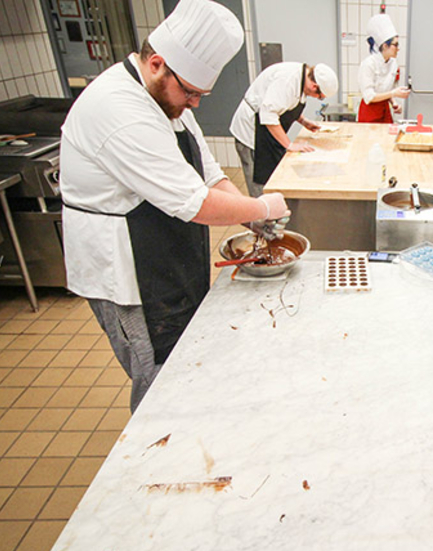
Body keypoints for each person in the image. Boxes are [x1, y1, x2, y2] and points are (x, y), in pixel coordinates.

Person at [60, 0, 289, 412]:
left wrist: (246, 211)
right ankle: (153, 455)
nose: (196, 104)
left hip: (163, 250)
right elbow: (196, 202)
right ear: (156, 64)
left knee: (183, 360)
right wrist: (262, 208)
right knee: (158, 375)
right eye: (191, 92)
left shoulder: (166, 98)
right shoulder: (120, 108)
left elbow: (208, 173)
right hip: (129, 268)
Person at [230, 61, 339, 197]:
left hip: (266, 134)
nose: (317, 98)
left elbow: (286, 105)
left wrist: (304, 121)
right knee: (260, 186)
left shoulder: (302, 80)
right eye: (319, 96)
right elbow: (268, 115)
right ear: (314, 85)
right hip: (251, 134)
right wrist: (289, 144)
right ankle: (260, 217)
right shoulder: (287, 81)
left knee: (273, 180)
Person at [357, 14, 409, 123]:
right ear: (385, 46)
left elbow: (386, 90)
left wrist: (394, 103)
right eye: (395, 45)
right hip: (369, 113)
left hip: (384, 111)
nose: (398, 49)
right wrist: (393, 93)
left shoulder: (393, 63)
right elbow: (369, 97)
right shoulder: (368, 64)